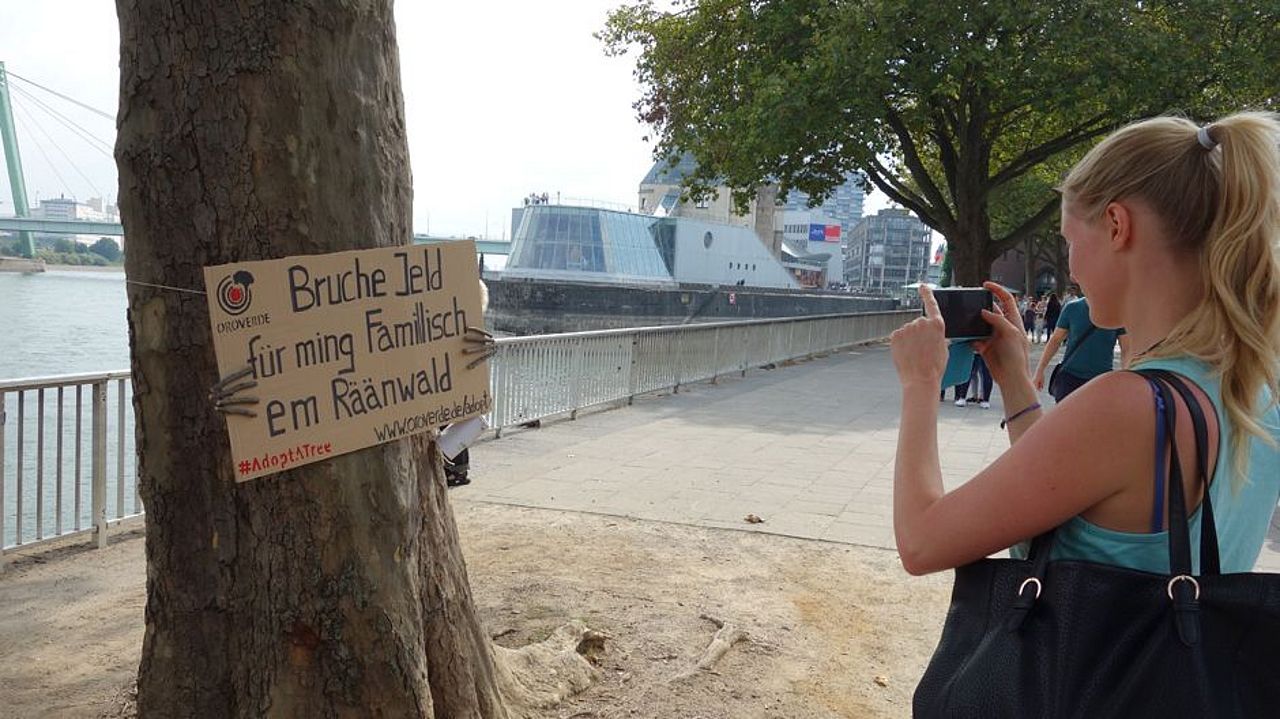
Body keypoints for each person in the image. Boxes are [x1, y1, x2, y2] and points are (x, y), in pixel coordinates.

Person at [888, 111, 1280, 581]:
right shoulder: (1256, 389)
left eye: (1070, 239)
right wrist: (1013, 375)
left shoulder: (1130, 406)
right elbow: (1070, 480)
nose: (1072, 268)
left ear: (1117, 225)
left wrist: (920, 383)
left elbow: (922, 541)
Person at [1033, 291, 1130, 402]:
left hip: (1101, 380)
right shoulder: (1072, 308)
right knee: (1067, 418)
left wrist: (1127, 377)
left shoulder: (1117, 312)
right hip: (1069, 378)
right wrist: (1039, 371)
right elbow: (1055, 341)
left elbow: (1126, 349)